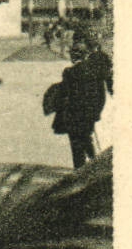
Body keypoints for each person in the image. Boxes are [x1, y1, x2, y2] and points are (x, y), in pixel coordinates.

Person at [45, 39, 112, 168]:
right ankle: (94, 167)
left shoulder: (69, 72)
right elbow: (100, 95)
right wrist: (95, 112)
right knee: (87, 141)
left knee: (77, 146)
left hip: (74, 116)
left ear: (74, 56)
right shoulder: (94, 72)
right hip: (89, 115)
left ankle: (80, 172)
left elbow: (65, 95)